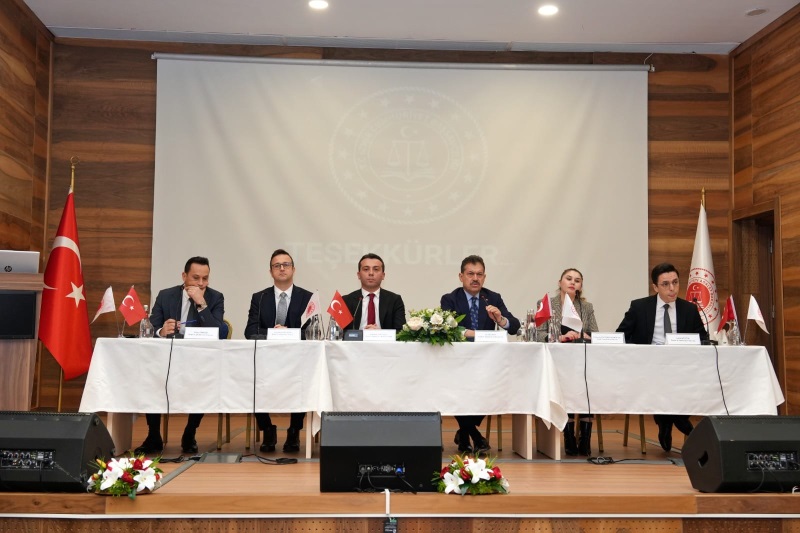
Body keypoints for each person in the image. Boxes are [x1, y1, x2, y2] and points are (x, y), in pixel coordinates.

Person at [134, 256, 229, 456]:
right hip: (167, 358)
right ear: (184, 276)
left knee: (204, 381)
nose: (201, 283)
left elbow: (219, 332)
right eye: (196, 278)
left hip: (199, 360)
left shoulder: (215, 297)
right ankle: (153, 435)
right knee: (152, 378)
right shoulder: (166, 295)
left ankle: (190, 433)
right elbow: (152, 328)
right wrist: (161, 331)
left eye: (205, 278)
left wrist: (202, 304)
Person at [616, 262, 708, 452]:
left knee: (683, 380)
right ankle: (678, 420)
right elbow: (621, 335)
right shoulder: (639, 307)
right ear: (655, 287)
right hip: (647, 367)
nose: (672, 288)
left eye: (675, 282)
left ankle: (666, 421)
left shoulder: (689, 309)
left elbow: (703, 339)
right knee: (660, 378)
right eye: (665, 284)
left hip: (680, 367)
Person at [440, 255, 520, 454]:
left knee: (493, 387)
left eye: (479, 274)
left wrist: (500, 319)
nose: (475, 278)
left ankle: (464, 433)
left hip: (486, 363)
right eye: (470, 274)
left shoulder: (492, 298)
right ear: (461, 276)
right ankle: (474, 436)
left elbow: (514, 326)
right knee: (458, 388)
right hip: (458, 362)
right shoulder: (450, 299)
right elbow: (447, 327)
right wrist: (471, 333)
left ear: (484, 277)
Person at [244, 249, 313, 453]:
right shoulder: (260, 297)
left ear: (293, 269)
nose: (282, 268)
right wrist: (274, 334)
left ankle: (294, 431)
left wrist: (287, 333)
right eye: (277, 265)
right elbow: (250, 331)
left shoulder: (307, 297)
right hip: (266, 358)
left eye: (286, 264)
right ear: (270, 271)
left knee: (304, 381)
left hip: (297, 359)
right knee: (251, 380)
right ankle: (267, 429)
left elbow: (311, 332)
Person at [536, 268, 599, 455]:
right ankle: (569, 436)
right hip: (555, 363)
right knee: (567, 388)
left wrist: (585, 335)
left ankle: (585, 439)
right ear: (560, 282)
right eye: (569, 278)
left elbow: (596, 334)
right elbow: (538, 334)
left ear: (580, 286)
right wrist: (560, 337)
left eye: (577, 280)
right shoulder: (547, 304)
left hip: (581, 362)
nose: (573, 282)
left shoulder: (586, 307)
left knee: (587, 387)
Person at [342, 253, 406, 331]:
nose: (371, 273)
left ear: (383, 275)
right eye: (366, 269)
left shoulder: (394, 300)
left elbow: (400, 332)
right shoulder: (346, 301)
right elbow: (341, 332)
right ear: (359, 275)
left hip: (383, 339)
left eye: (376, 269)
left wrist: (379, 334)